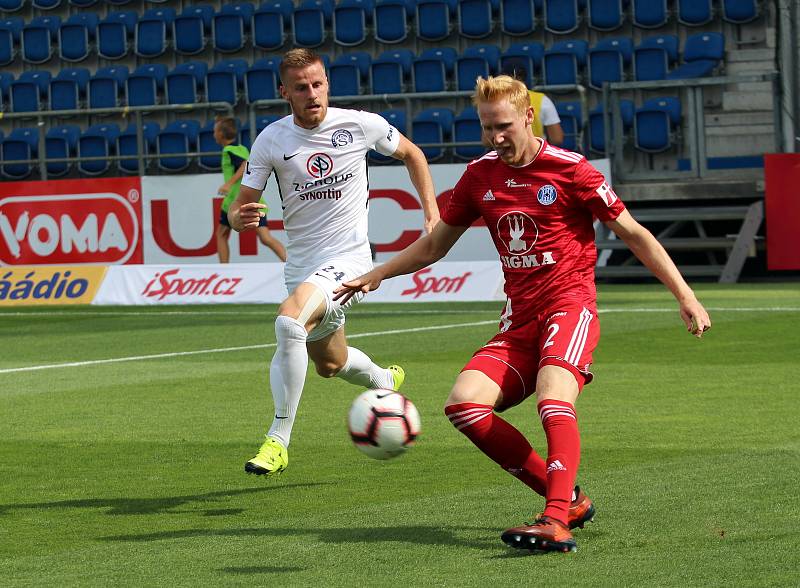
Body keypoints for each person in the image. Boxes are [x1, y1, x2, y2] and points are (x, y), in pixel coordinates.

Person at [334, 75, 711, 553]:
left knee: (553, 399)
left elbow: (633, 233)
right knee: (464, 405)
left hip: (569, 309)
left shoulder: (572, 170)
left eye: (504, 126)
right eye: (487, 128)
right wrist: (377, 273)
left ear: (528, 117)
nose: (496, 137)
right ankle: (568, 500)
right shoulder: (479, 176)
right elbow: (435, 245)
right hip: (519, 321)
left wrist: (684, 294)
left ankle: (555, 520)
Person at [227, 49, 440, 477]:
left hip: (350, 260)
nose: (312, 93)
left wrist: (431, 214)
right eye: (301, 87)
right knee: (330, 364)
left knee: (289, 322)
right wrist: (239, 219)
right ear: (284, 91)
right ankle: (382, 380)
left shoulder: (359, 124)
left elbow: (413, 154)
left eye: (318, 84)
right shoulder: (271, 139)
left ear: (327, 83)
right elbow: (240, 207)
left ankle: (278, 440)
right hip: (301, 268)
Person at [214, 116, 287, 263]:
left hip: (234, 201)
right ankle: (288, 262)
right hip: (253, 200)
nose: (214, 134)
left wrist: (229, 184)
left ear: (221, 134)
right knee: (265, 238)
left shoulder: (229, 150)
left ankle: (223, 270)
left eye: (215, 131)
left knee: (221, 235)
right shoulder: (242, 148)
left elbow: (244, 165)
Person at [502, 64, 564, 146]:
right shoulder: (542, 100)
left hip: (506, 153)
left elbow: (486, 140)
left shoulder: (495, 101)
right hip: (536, 153)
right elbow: (557, 139)